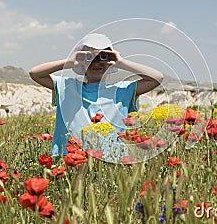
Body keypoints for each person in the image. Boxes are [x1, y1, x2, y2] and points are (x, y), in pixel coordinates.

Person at [29, 33, 164, 162]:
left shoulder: (122, 90)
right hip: (70, 157)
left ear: (110, 61)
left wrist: (120, 62)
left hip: (111, 158)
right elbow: (35, 73)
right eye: (90, 57)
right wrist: (70, 62)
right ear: (82, 61)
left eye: (103, 56)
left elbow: (157, 78)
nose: (97, 62)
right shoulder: (67, 86)